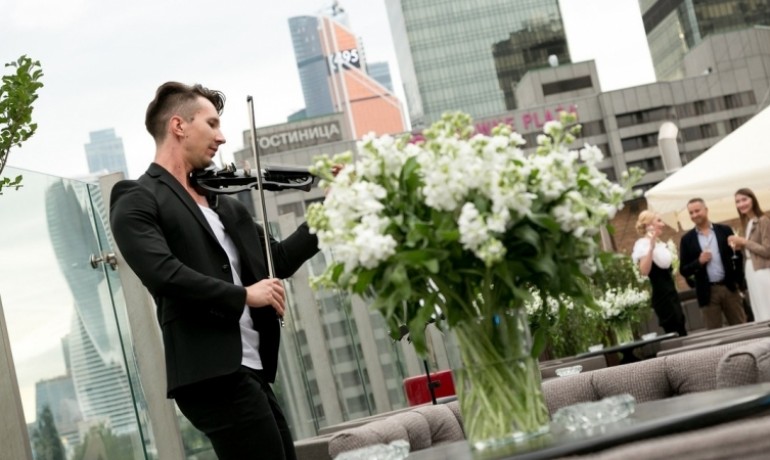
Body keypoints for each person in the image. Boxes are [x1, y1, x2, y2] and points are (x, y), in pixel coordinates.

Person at [110, 82, 320, 460]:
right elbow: (163, 273)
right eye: (212, 124)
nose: (221, 137)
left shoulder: (223, 204)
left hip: (251, 367)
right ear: (179, 126)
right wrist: (245, 295)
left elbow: (278, 258)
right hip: (210, 373)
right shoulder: (136, 197)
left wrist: (333, 212)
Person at [679, 198, 747, 329]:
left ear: (706, 210)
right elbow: (684, 270)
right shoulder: (687, 240)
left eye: (697, 211)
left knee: (741, 327)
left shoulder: (724, 230)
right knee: (713, 333)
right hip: (707, 293)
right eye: (691, 213)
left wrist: (738, 282)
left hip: (729, 288)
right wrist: (699, 262)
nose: (694, 215)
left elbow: (737, 257)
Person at [631, 211, 688, 336]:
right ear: (648, 225)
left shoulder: (660, 244)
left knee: (680, 323)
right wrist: (651, 248)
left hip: (671, 292)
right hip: (661, 295)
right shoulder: (643, 245)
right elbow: (644, 271)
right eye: (659, 221)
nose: (663, 224)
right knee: (673, 327)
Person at [728, 188, 770, 322]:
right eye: (737, 201)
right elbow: (752, 249)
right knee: (759, 309)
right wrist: (740, 246)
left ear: (753, 200)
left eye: (744, 199)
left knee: (766, 308)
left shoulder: (763, 220)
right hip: (751, 270)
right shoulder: (748, 223)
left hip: (763, 271)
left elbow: (767, 250)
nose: (741, 204)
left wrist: (744, 242)